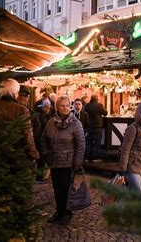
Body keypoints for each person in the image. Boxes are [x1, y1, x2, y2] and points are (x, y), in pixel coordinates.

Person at [41, 95, 85, 225]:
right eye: (62, 106)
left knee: (66, 188)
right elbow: (43, 138)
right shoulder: (51, 122)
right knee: (57, 188)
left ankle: (66, 212)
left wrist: (78, 161)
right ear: (57, 107)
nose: (65, 108)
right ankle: (59, 211)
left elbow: (81, 143)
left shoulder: (76, 123)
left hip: (68, 162)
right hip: (54, 161)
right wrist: (45, 153)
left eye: (67, 105)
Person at [0, 79, 39, 170]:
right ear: (15, 92)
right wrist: (34, 154)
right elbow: (27, 135)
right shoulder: (21, 110)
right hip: (16, 155)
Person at [119, 102, 141, 194]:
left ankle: (120, 208)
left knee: (130, 193)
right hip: (132, 166)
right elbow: (125, 149)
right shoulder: (133, 128)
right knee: (140, 192)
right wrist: (123, 169)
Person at [34, 98, 53, 183]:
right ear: (42, 107)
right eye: (46, 107)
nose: (48, 109)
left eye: (49, 107)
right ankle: (39, 177)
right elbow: (38, 130)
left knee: (46, 159)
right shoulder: (38, 116)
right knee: (41, 160)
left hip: (47, 141)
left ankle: (45, 175)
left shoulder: (49, 116)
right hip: (40, 140)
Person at [84, 95, 108, 162]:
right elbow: (105, 113)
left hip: (89, 126)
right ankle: (95, 158)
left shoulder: (86, 105)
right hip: (97, 126)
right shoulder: (99, 105)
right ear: (97, 99)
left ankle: (87, 157)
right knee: (97, 143)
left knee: (88, 142)